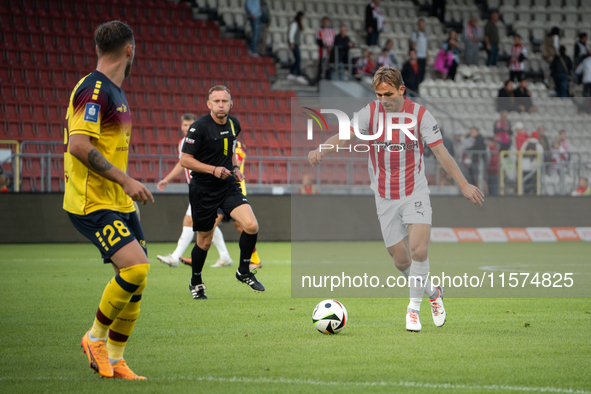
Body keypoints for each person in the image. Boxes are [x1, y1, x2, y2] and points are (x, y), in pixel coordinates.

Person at [307, 66, 484, 332]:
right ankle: (434, 293)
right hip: (384, 196)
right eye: (378, 94)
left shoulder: (421, 116)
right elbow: (345, 136)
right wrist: (323, 148)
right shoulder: (370, 113)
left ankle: (413, 310)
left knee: (419, 250)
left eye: (388, 93)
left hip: (415, 191)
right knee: (401, 260)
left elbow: (441, 154)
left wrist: (464, 184)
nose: (383, 99)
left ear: (401, 90)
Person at [63, 21, 153, 380]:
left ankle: (115, 359)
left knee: (136, 280)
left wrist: (124, 191)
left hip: (117, 201)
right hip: (91, 200)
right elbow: (79, 146)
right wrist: (126, 180)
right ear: (129, 50)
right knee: (136, 268)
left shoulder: (115, 91)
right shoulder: (93, 90)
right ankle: (94, 338)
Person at [180, 85, 265, 300]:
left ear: (230, 104)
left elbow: (232, 147)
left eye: (224, 101)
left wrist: (234, 168)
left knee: (251, 225)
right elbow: (185, 160)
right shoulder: (199, 128)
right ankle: (196, 281)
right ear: (208, 104)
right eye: (216, 101)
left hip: (227, 186)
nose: (220, 105)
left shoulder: (234, 124)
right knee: (204, 242)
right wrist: (213, 170)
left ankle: (243, 271)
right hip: (203, 190)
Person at [156, 113, 232, 268]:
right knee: (207, 225)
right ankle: (225, 256)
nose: (188, 127)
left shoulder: (202, 139)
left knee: (190, 221)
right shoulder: (183, 142)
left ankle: (175, 257)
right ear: (181, 126)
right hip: (196, 188)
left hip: (205, 187)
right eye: (185, 125)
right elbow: (183, 162)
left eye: (191, 124)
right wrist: (167, 179)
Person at [287, 11, 308, 85]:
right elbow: (291, 34)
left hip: (296, 44)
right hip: (294, 44)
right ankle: (299, 75)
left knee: (297, 59)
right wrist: (291, 42)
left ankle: (291, 73)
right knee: (298, 59)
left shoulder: (298, 24)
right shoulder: (295, 23)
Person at [316, 16, 335, 82]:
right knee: (322, 65)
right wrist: (326, 46)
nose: (326, 23)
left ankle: (328, 78)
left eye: (327, 21)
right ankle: (319, 79)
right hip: (323, 51)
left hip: (330, 51)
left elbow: (334, 40)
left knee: (329, 65)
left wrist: (331, 48)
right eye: (324, 21)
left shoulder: (331, 31)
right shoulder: (319, 30)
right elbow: (318, 40)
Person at [410, 19, 429, 84]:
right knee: (417, 72)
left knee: (422, 72)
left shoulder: (425, 34)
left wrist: (427, 54)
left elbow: (425, 45)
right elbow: (413, 44)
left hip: (423, 56)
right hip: (417, 56)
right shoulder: (415, 33)